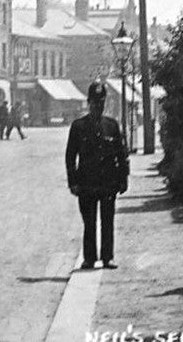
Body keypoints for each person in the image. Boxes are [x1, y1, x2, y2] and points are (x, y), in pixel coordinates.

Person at [65, 82, 129, 269]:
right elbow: (70, 157)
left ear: (104, 103)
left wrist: (123, 179)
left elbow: (121, 154)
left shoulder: (112, 125)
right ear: (88, 102)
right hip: (86, 182)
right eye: (94, 102)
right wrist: (73, 182)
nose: (97, 106)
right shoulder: (78, 126)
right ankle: (90, 258)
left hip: (108, 182)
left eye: (100, 103)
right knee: (89, 222)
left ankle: (108, 257)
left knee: (107, 221)